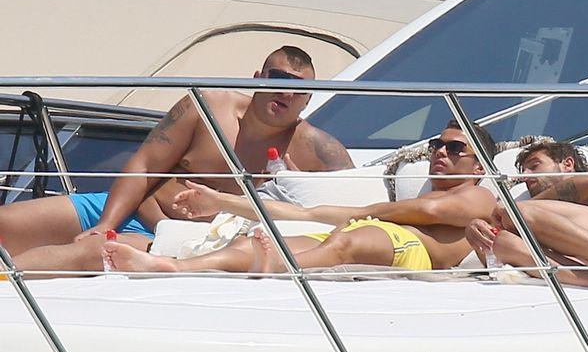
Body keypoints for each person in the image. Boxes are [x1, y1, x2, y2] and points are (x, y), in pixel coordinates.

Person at [0, 46, 354, 274]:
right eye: (278, 79)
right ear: (258, 79)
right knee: (5, 223)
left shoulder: (320, 150)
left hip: (177, 238)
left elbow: (354, 215)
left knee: (94, 252)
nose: (286, 91)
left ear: (309, 98)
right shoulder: (205, 108)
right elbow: (143, 165)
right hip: (124, 207)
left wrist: (297, 187)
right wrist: (106, 221)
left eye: (299, 87)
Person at [102, 121, 498, 274]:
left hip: (413, 250)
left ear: (479, 165)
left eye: (455, 149)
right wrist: (222, 202)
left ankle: (274, 269)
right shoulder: (388, 212)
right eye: (436, 145)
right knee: (251, 244)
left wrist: (366, 212)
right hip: (376, 233)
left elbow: (430, 210)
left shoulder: (480, 197)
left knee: (346, 240)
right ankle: (172, 266)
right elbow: (304, 213)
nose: (440, 153)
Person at [465, 141, 588, 293]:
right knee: (500, 242)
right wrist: (480, 232)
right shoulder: (534, 211)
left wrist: (514, 210)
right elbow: (494, 258)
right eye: (523, 171)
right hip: (583, 260)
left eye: (534, 166)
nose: (525, 176)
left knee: (516, 214)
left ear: (567, 164)